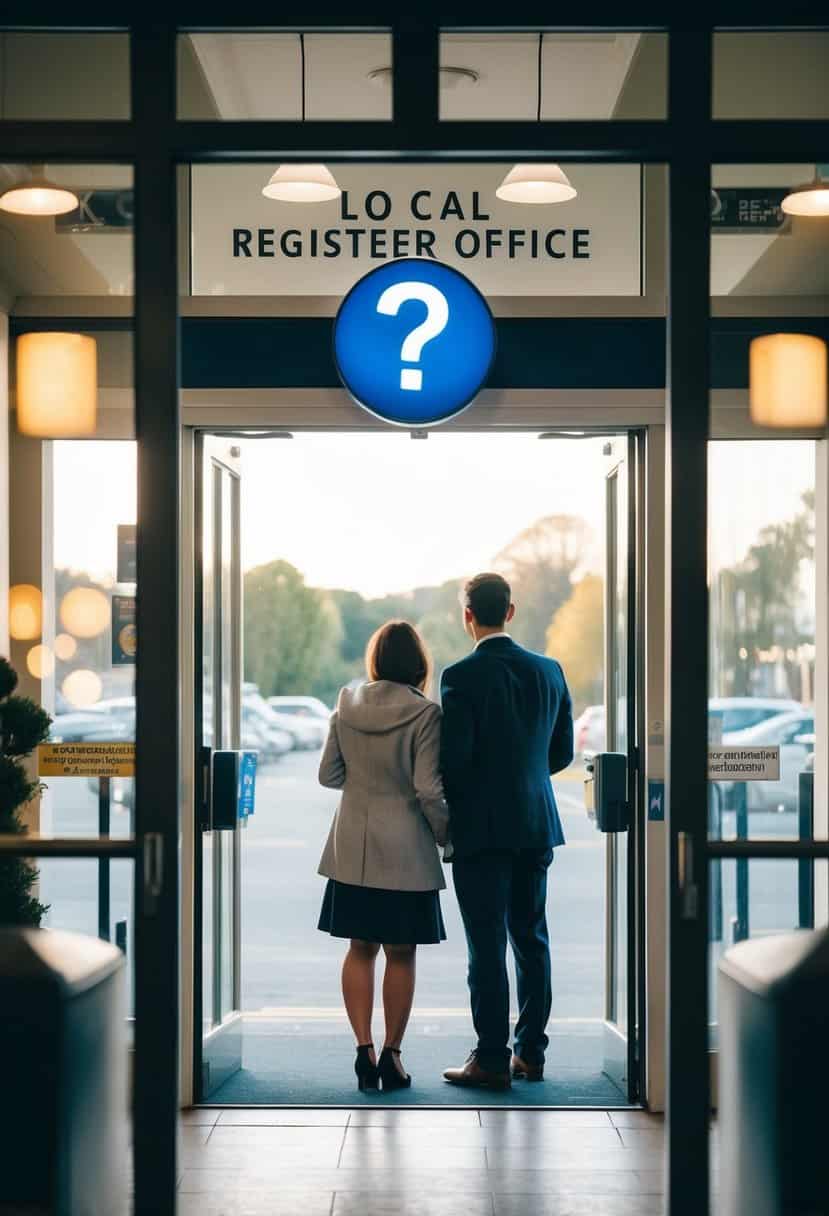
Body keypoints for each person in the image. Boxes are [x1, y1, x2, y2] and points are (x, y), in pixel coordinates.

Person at [440, 572, 574, 1090]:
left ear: (467, 616)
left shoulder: (460, 677)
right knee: (531, 937)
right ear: (511, 612)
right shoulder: (549, 671)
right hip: (537, 823)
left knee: (486, 945)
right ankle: (531, 1054)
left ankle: (491, 1058)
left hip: (481, 829)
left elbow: (455, 761)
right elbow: (559, 751)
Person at [317, 620, 449, 1093]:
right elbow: (428, 789)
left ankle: (362, 1048)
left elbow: (328, 775)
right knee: (401, 951)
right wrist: (445, 837)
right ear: (418, 664)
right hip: (406, 849)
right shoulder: (425, 713)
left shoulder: (346, 705)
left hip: (353, 845)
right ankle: (393, 1055)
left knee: (359, 948)